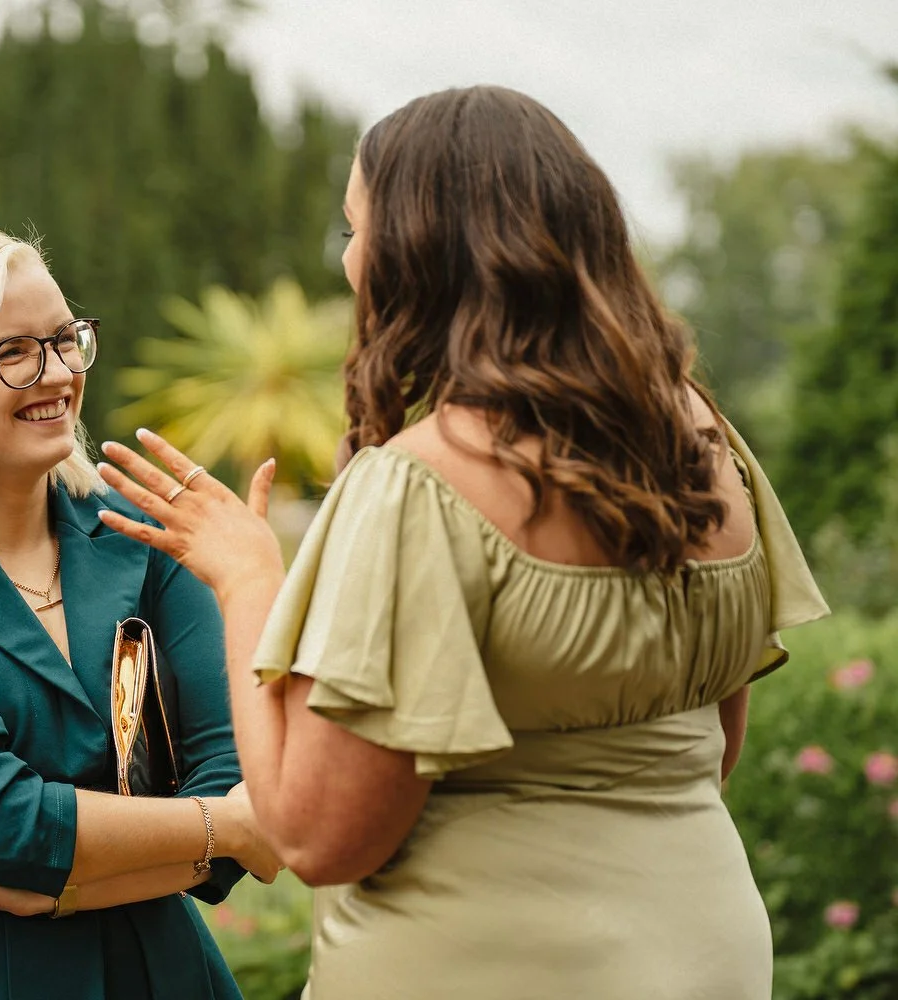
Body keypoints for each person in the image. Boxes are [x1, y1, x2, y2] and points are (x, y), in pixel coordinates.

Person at [96, 86, 831, 999]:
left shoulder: (423, 486)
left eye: (352, 229)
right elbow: (709, 750)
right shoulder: (701, 442)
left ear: (414, 256)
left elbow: (318, 838)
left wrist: (249, 581)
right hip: (705, 952)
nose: (347, 260)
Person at [0, 227, 278, 1000]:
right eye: (13, 352)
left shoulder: (144, 539)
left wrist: (62, 885)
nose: (58, 373)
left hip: (166, 974)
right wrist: (223, 825)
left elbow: (238, 778)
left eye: (66, 341)